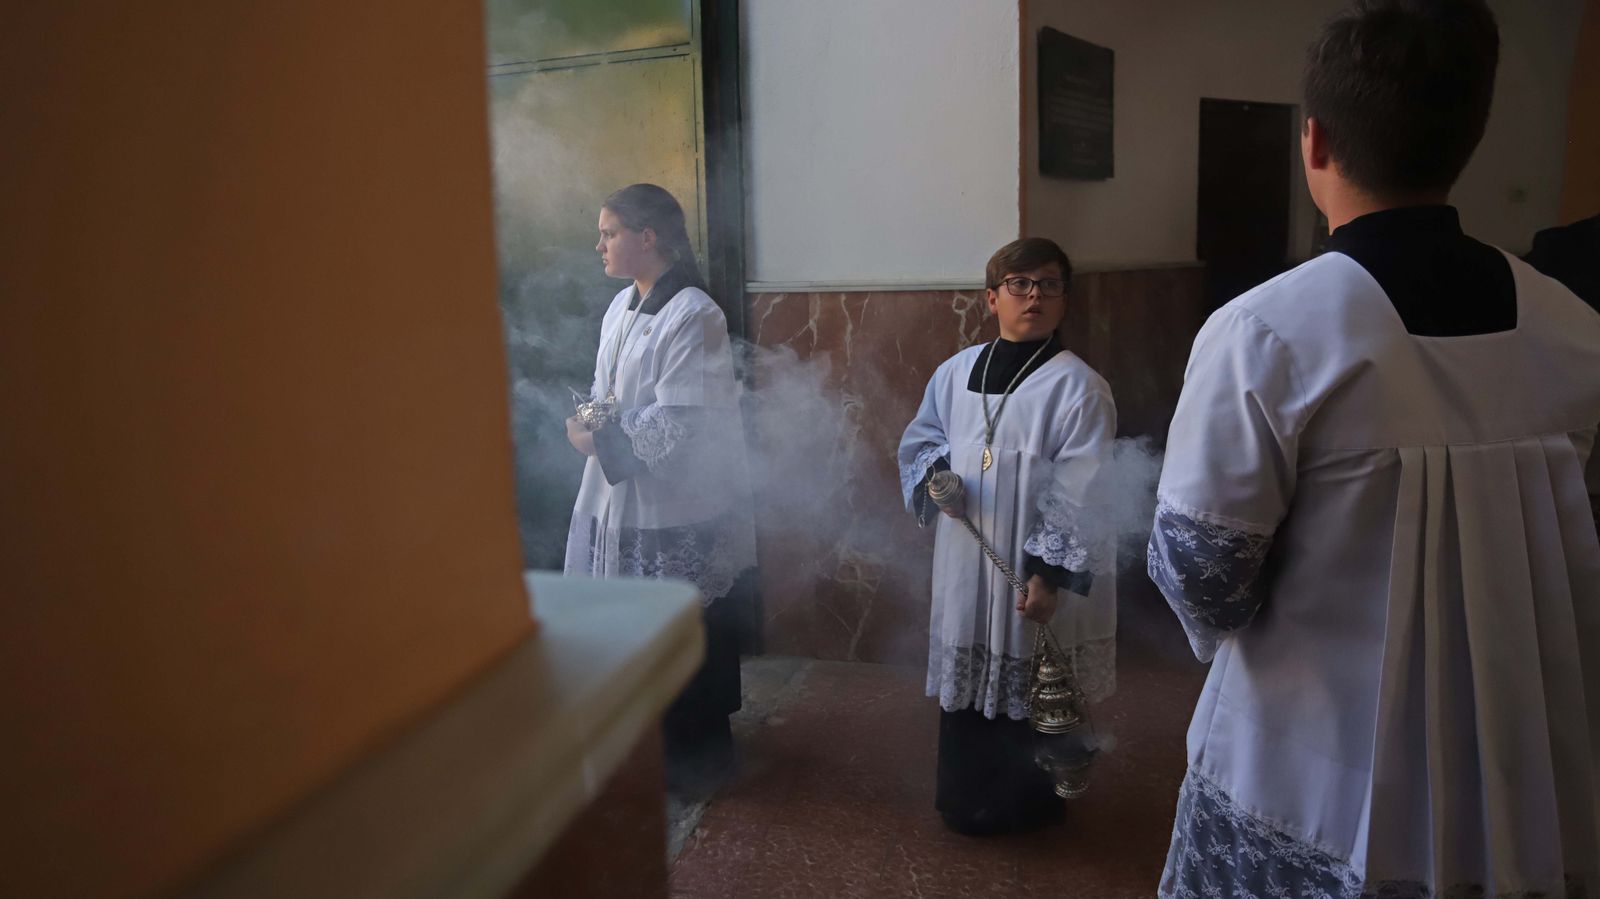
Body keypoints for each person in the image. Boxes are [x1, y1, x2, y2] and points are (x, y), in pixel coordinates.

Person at [1148, 1, 1600, 894]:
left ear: (1313, 142)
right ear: (1469, 135)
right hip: (1516, 764)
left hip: (1304, 769)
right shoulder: (1575, 328)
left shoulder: (1267, 333)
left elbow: (1202, 571)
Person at [898, 237, 1117, 836]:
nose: (1034, 296)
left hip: (1029, 565)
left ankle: (1026, 804)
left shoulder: (1079, 387)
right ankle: (967, 799)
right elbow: (921, 440)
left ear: (1065, 299)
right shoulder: (955, 371)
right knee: (971, 665)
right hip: (967, 556)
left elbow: (1084, 490)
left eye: (1049, 284)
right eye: (1019, 285)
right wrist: (938, 476)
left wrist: (1047, 577)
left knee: (1029, 675)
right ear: (992, 298)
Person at [563, 183, 756, 790]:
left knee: (681, 624)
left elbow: (681, 420)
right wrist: (589, 420)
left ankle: (697, 755)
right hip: (618, 489)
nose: (599, 244)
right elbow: (606, 395)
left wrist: (597, 441)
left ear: (648, 237)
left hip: (677, 499)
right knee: (632, 623)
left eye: (609, 232)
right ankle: (645, 739)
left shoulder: (694, 312)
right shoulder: (620, 306)